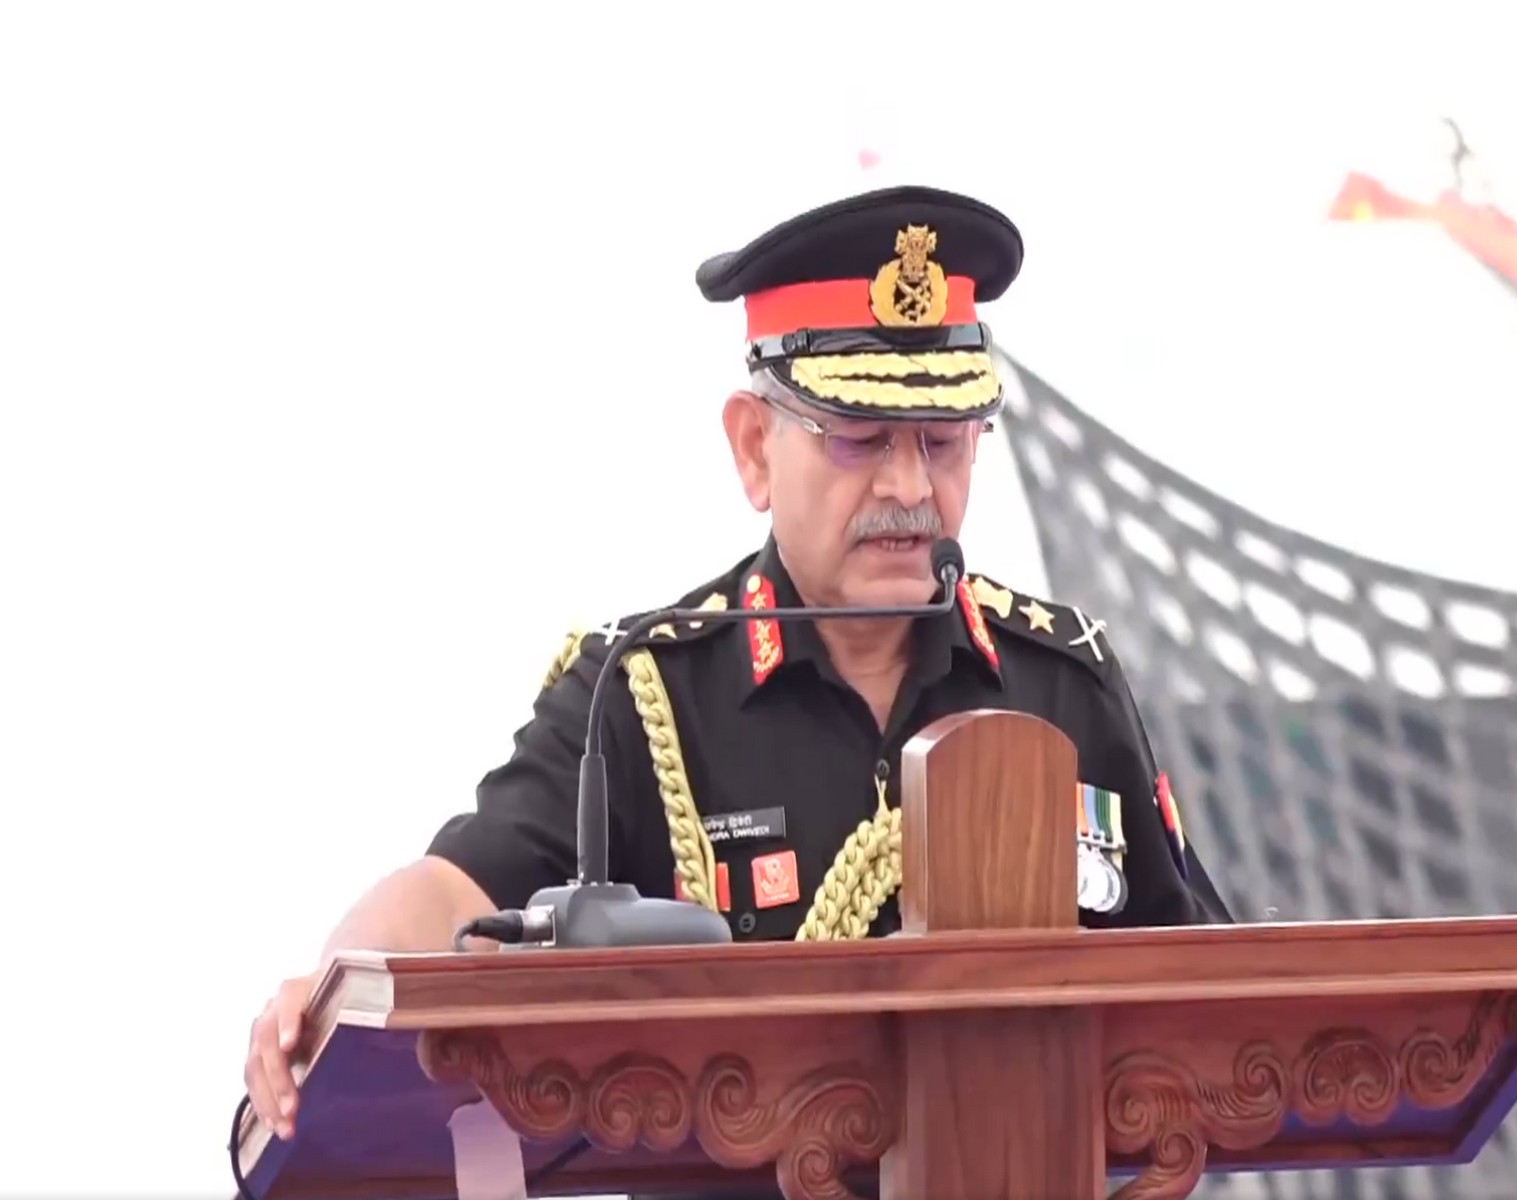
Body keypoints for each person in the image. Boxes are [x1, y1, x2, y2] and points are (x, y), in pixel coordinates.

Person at [242, 185, 1229, 1155]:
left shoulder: (1062, 682)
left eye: (942, 443)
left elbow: (1211, 992)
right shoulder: (644, 691)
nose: (908, 488)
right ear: (755, 448)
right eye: (859, 439)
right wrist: (326, 997)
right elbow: (451, 896)